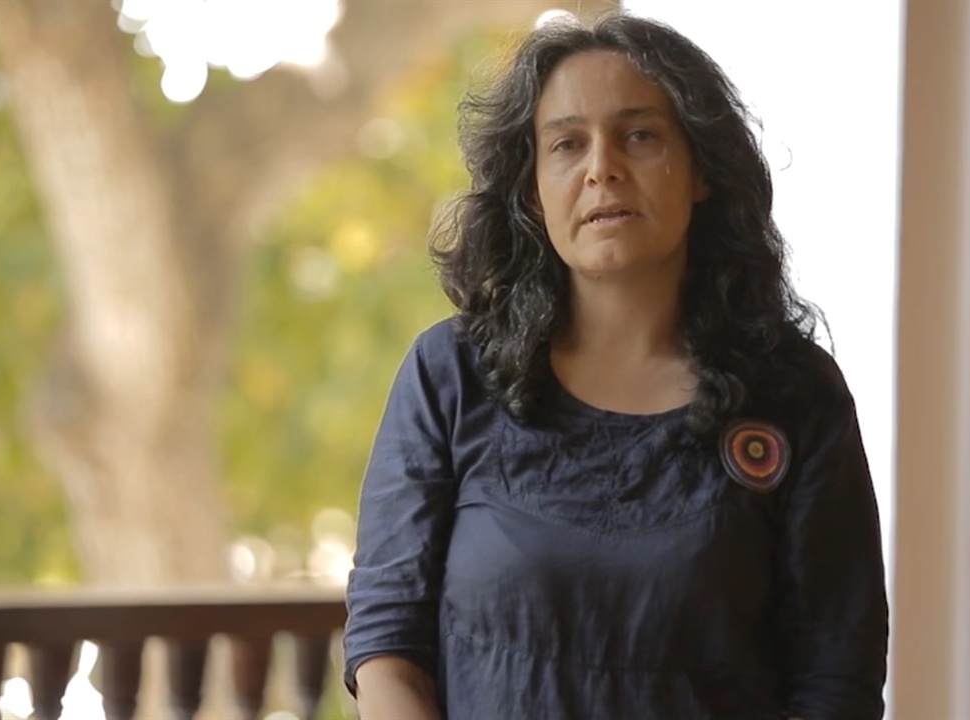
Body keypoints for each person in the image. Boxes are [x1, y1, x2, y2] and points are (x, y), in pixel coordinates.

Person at [342, 11, 888, 720]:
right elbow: (387, 644)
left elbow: (838, 676)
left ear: (701, 170)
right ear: (532, 190)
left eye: (639, 135)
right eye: (567, 144)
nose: (602, 168)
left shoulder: (795, 394)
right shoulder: (449, 375)